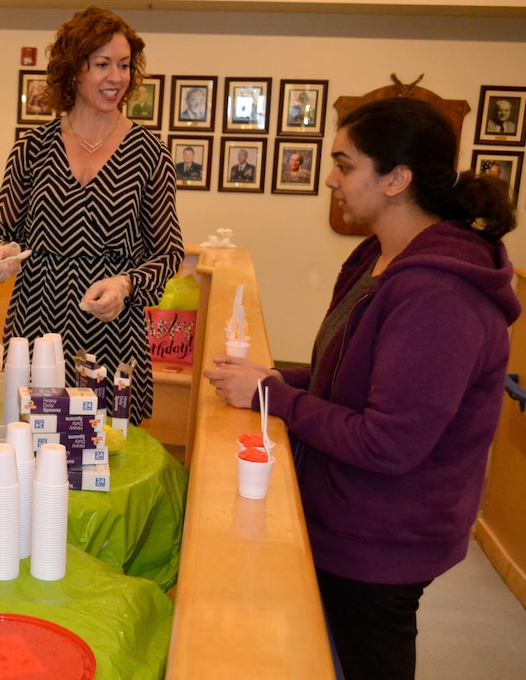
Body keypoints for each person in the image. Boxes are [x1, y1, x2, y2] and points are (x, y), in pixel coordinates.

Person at [205, 97, 519, 680]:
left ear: (397, 179)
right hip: (344, 513)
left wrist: (272, 395)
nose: (331, 179)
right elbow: (340, 374)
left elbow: (387, 443)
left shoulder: (438, 297)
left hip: (383, 538)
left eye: (345, 166)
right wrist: (266, 381)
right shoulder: (379, 254)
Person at [0, 6, 183, 425]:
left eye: (124, 66)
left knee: (106, 455)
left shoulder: (149, 153)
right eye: (102, 64)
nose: (117, 78)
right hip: (35, 321)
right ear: (73, 71)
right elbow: (2, 233)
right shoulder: (32, 148)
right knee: (29, 447)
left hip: (110, 326)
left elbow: (169, 253)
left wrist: (125, 284)